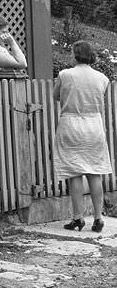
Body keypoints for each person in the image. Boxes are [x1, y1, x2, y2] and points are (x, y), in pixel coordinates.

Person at [53, 40, 112, 233]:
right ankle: (98, 217)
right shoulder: (102, 78)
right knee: (95, 173)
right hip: (94, 125)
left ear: (75, 54)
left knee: (75, 173)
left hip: (71, 125)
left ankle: (77, 217)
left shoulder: (65, 75)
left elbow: (56, 95)